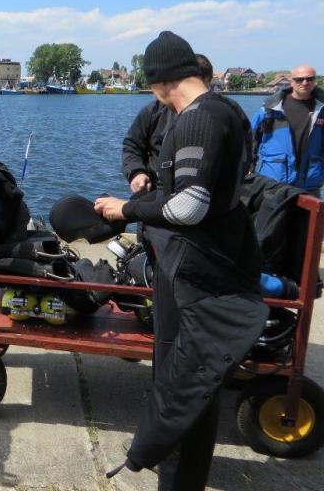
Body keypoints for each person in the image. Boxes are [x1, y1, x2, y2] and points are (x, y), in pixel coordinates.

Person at [95, 31, 268, 490]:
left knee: (179, 375)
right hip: (217, 261)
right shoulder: (229, 110)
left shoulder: (195, 119)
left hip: (195, 269)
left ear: (162, 81)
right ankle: (182, 473)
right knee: (197, 379)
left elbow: (188, 206)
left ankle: (176, 478)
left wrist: (124, 208)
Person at [121, 54, 213, 193]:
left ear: (208, 82)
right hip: (155, 192)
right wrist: (136, 173)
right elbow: (132, 146)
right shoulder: (153, 111)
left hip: (199, 197)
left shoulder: (219, 115)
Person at [251, 64, 324, 194]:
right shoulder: (270, 109)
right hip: (273, 184)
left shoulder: (322, 110)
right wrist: (249, 168)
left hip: (310, 185)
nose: (305, 82)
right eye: (299, 79)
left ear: (315, 81)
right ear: (291, 81)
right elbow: (248, 140)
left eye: (310, 79)